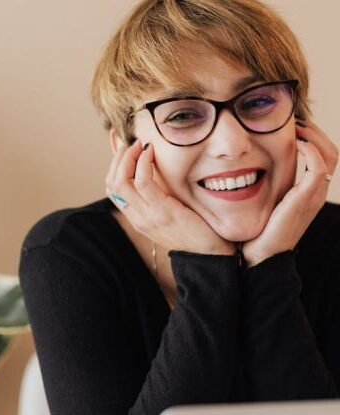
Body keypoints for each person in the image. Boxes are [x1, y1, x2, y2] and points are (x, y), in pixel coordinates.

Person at [18, 0, 340, 413]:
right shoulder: (68, 253)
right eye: (184, 114)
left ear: (300, 122)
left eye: (258, 101)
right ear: (126, 148)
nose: (232, 144)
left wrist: (269, 267)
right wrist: (206, 265)